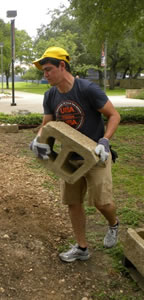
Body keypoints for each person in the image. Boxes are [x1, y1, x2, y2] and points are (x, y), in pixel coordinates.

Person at [30, 47, 121, 262]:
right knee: (73, 202)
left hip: (97, 155)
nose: (45, 75)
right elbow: (48, 124)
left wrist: (105, 142)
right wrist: (38, 139)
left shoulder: (87, 89)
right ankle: (82, 247)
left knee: (102, 203)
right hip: (70, 158)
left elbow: (114, 115)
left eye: (49, 69)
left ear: (63, 66)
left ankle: (113, 224)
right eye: (43, 71)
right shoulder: (50, 95)